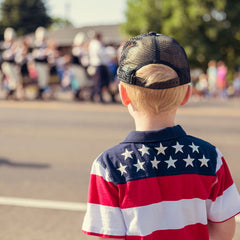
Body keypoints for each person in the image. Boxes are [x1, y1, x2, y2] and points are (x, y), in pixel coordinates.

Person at [82, 32, 240, 240]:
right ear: (186, 95)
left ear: (124, 94)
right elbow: (224, 230)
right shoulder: (210, 157)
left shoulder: (107, 167)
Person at [88, 32, 111, 103]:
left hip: (96, 64)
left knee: (98, 82)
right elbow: (101, 53)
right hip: (99, 64)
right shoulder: (97, 44)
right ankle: (99, 97)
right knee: (100, 82)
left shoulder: (92, 43)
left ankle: (92, 95)